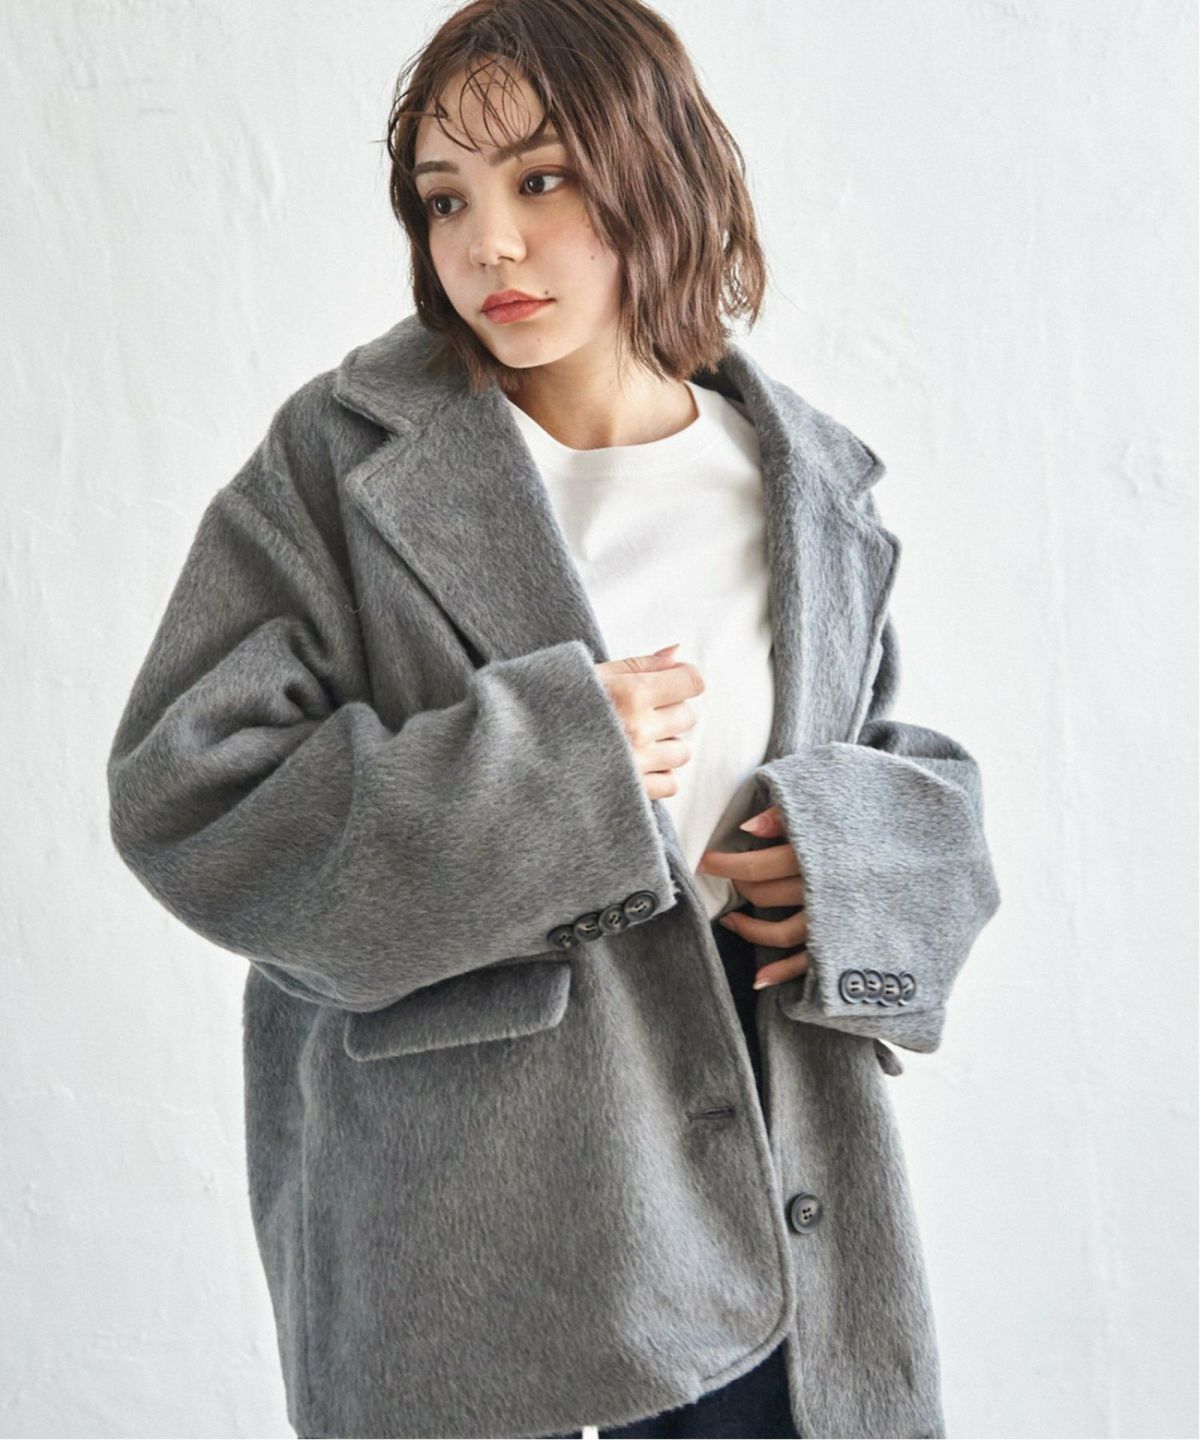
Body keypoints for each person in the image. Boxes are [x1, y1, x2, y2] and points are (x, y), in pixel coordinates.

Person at [106, 2, 1001, 1437]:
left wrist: (847, 866)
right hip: (472, 1236)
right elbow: (191, 796)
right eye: (446, 199)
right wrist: (548, 770)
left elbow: (888, 768)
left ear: (661, 174)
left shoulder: (808, 482)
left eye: (543, 179)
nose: (491, 246)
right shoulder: (339, 463)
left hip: (783, 1201)